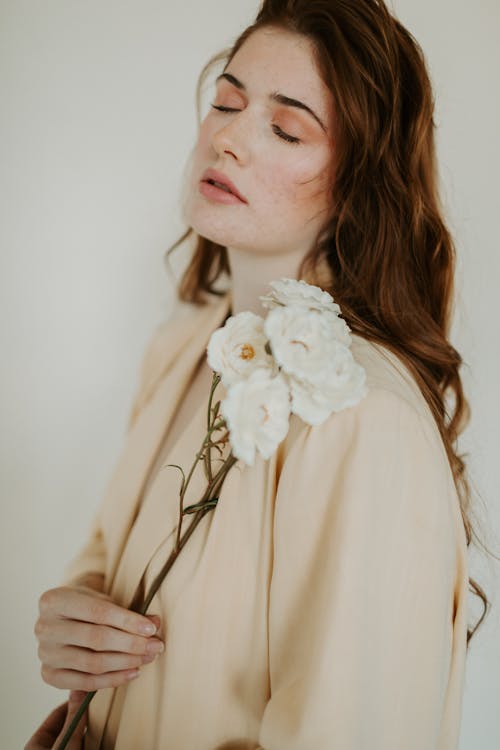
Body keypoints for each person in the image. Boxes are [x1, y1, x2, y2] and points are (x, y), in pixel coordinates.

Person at [27, 0, 488, 748]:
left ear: (356, 188)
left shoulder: (369, 423)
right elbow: (106, 563)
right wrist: (74, 624)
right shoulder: (179, 352)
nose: (230, 138)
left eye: (286, 127)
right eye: (227, 101)